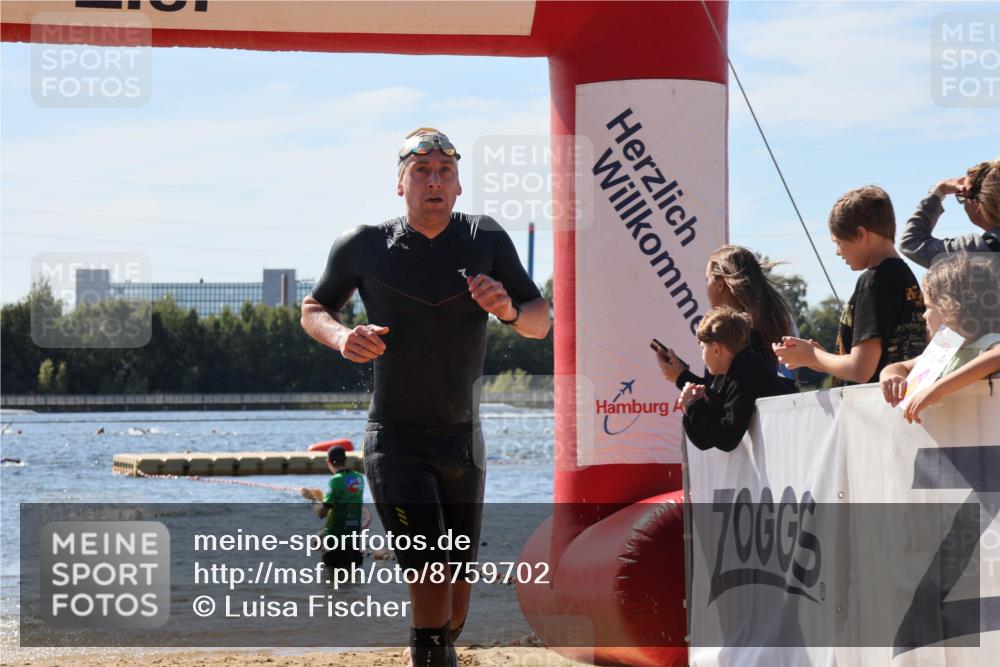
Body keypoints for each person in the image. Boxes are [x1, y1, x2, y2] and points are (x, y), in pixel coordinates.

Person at [300, 128, 551, 667]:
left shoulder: (484, 238)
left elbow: (539, 321)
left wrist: (506, 308)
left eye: (445, 172)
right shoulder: (363, 244)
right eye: (421, 171)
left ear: (458, 187)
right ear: (400, 184)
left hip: (464, 443)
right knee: (431, 576)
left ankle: (442, 648)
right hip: (396, 440)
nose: (433, 180)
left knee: (455, 597)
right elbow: (313, 309)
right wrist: (343, 336)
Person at [775, 186, 927, 386]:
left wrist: (812, 355)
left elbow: (860, 370)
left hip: (872, 409)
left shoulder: (873, 281)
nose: (838, 252)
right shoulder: (906, 277)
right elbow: (879, 359)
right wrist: (822, 359)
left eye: (838, 242)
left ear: (861, 234)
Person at [879, 252, 1000, 423]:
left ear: (949, 305)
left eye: (928, 306)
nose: (924, 315)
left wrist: (938, 390)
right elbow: (902, 366)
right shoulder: (944, 346)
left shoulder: (987, 341)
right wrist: (891, 375)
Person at [656, 245, 797, 389]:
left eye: (707, 280)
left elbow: (720, 400)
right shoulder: (761, 325)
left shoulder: (730, 331)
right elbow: (730, 393)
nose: (706, 288)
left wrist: (680, 377)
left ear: (720, 284)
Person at [677, 306, 798, 452]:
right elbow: (705, 441)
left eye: (702, 348)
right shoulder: (731, 374)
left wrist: (693, 405)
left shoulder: (746, 374)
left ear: (716, 349)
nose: (702, 356)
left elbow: (727, 439)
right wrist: (690, 407)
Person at [899, 158, 1000, 268]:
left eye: (962, 198)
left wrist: (938, 192)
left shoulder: (979, 250)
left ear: (976, 204)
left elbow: (911, 243)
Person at [309, 446, 366, 570]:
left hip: (335, 545)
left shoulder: (335, 480)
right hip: (353, 545)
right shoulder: (358, 478)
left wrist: (313, 499)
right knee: (351, 582)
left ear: (328, 462)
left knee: (332, 583)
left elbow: (321, 513)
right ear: (346, 460)